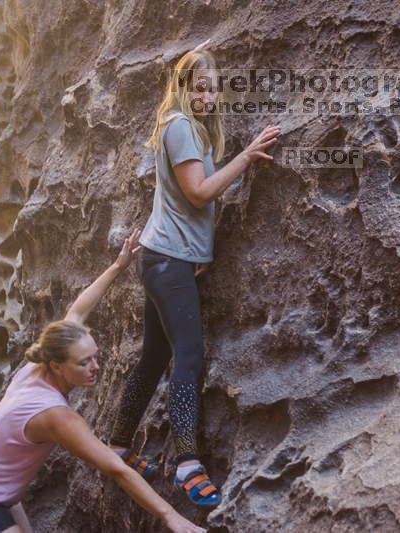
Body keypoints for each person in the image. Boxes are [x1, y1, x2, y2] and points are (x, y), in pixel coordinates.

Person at [107, 41, 280, 507]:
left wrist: (198, 53)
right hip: (169, 261)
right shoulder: (181, 125)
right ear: (182, 88)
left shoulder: (185, 126)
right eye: (200, 87)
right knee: (189, 353)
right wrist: (245, 157)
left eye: (214, 90)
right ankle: (186, 461)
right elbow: (199, 193)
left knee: (153, 356)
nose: (209, 97)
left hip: (161, 258)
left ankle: (119, 444)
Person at [0, 230, 205, 533]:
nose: (96, 367)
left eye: (94, 356)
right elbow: (115, 467)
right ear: (57, 366)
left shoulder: (37, 364)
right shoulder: (56, 415)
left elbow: (78, 310)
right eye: (84, 362)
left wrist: (118, 265)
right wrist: (168, 515)